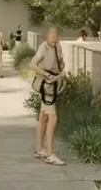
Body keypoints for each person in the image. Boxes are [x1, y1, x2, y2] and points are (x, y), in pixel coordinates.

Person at [30, 27, 66, 166]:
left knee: (43, 117)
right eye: (51, 35)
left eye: (56, 35)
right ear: (47, 36)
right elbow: (32, 65)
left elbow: (60, 62)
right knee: (52, 118)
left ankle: (39, 150)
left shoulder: (57, 46)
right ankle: (50, 154)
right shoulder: (43, 48)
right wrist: (47, 75)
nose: (53, 38)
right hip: (47, 86)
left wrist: (61, 66)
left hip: (54, 84)